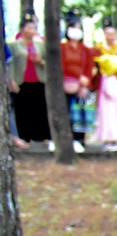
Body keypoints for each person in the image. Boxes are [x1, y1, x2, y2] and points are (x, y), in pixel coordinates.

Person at [6, 15, 51, 146]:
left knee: (39, 109)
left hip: (38, 80)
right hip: (21, 81)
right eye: (29, 28)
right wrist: (11, 80)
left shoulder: (40, 45)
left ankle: (41, 136)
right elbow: (11, 64)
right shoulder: (14, 45)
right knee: (22, 110)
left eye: (34, 28)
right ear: (22, 29)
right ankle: (24, 136)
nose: (32, 30)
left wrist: (40, 61)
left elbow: (48, 62)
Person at [60, 13, 97, 152]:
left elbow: (89, 66)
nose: (76, 30)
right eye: (73, 27)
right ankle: (65, 138)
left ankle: (79, 139)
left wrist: (84, 81)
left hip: (81, 85)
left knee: (81, 112)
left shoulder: (85, 50)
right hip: (66, 83)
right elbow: (63, 65)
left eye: (78, 27)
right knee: (67, 111)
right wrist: (76, 76)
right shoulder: (62, 48)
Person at [92, 53, 117, 150]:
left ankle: (113, 141)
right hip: (110, 106)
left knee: (113, 121)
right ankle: (109, 141)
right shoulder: (109, 79)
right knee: (111, 121)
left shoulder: (106, 78)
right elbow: (110, 91)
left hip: (112, 104)